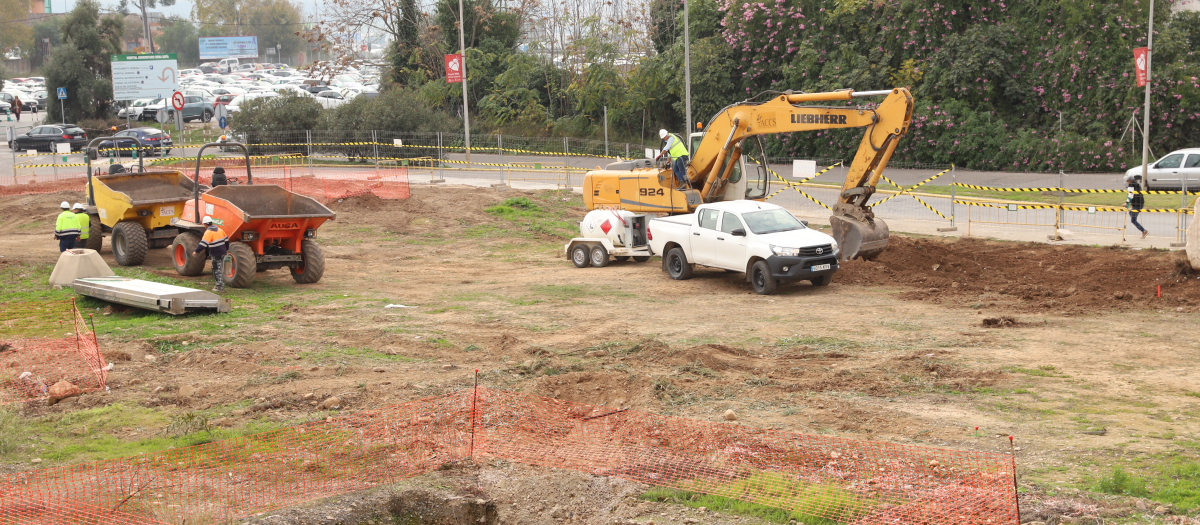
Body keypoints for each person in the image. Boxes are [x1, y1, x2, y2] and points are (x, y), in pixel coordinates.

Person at [194, 216, 229, 292]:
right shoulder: (220, 230)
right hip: (223, 252)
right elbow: (226, 241)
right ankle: (218, 284)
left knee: (217, 269)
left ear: (205, 224)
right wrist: (226, 249)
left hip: (216, 253)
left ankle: (220, 287)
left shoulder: (208, 232)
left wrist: (196, 251)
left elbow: (203, 244)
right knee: (216, 268)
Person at [1126, 174, 1149, 239]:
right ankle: (1143, 230)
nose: (1127, 183)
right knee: (1131, 213)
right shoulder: (1137, 185)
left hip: (1137, 205)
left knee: (1133, 220)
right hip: (1141, 203)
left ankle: (1144, 231)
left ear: (1129, 181)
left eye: (1127, 181)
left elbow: (1130, 195)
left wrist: (1126, 203)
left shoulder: (1130, 186)